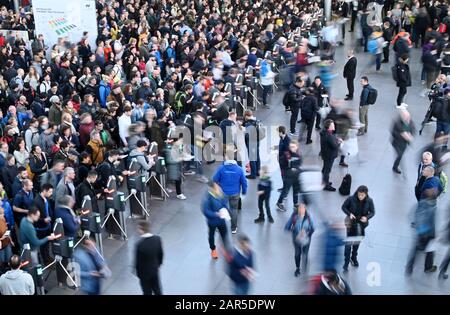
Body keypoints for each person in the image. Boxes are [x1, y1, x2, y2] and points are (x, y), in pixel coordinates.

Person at [406, 179, 441, 275]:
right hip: (426, 233)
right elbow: (425, 219)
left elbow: (413, 215)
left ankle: (410, 268)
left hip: (423, 233)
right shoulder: (429, 205)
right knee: (428, 251)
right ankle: (427, 268)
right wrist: (424, 231)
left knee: (418, 250)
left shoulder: (424, 203)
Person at [212, 145, 248, 234]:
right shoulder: (239, 169)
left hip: (223, 193)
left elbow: (214, 179)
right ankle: (233, 228)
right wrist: (243, 192)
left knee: (221, 209)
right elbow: (244, 182)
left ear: (226, 157)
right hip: (235, 193)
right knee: (234, 210)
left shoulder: (221, 168)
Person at [341, 185, 375, 272]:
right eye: (359, 194)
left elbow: (372, 212)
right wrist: (349, 214)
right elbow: (343, 207)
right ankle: (346, 261)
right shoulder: (351, 198)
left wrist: (367, 217)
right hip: (350, 222)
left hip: (360, 224)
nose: (360, 196)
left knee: (357, 241)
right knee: (348, 243)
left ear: (366, 194)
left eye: (362, 195)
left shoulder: (369, 201)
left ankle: (354, 257)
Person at [285, 203, 315, 277]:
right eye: (300, 208)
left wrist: (306, 232)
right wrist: (294, 230)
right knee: (297, 254)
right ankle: (298, 268)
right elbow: (286, 227)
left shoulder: (308, 217)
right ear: (297, 210)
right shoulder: (294, 217)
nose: (301, 210)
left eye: (303, 208)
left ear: (305, 209)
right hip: (296, 238)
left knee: (305, 253)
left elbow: (313, 228)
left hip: (306, 238)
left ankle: (305, 266)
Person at [202, 181, 230, 259]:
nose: (219, 188)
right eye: (217, 187)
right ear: (212, 189)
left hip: (221, 220)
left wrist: (226, 210)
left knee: (224, 234)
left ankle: (226, 249)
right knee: (211, 235)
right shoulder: (207, 198)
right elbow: (205, 211)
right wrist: (216, 214)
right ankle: (213, 249)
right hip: (212, 222)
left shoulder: (221, 194)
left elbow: (225, 203)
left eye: (219, 186)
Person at [135, 220, 163, 295]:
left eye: (138, 228)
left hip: (144, 273)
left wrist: (139, 274)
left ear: (142, 230)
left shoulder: (140, 245)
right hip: (154, 269)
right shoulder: (157, 239)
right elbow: (160, 254)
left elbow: (138, 263)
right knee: (157, 290)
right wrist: (158, 265)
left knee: (147, 291)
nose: (138, 230)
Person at [276, 140, 302, 211]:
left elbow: (299, 164)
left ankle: (295, 204)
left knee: (296, 191)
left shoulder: (299, 154)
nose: (292, 148)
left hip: (296, 176)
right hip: (288, 177)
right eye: (291, 147)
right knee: (285, 191)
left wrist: (297, 169)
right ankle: (279, 202)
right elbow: (282, 164)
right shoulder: (286, 154)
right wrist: (288, 169)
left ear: (297, 147)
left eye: (293, 147)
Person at [32, 183, 53, 264]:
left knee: (47, 244)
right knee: (43, 245)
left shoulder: (46, 198)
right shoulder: (36, 201)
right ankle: (46, 261)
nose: (51, 194)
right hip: (40, 228)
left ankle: (48, 256)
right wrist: (43, 220)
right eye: (50, 192)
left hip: (47, 226)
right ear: (44, 191)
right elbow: (34, 217)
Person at [391, 108, 415, 174]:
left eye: (408, 117)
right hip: (397, 142)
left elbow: (413, 129)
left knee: (401, 154)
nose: (408, 118)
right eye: (406, 117)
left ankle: (395, 165)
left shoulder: (410, 121)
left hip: (405, 142)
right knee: (400, 154)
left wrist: (410, 135)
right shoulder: (397, 122)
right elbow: (393, 133)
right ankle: (395, 167)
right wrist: (402, 135)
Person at [320, 119, 343, 192]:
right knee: (327, 170)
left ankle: (323, 181)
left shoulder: (325, 133)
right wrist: (339, 142)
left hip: (325, 154)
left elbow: (332, 140)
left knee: (325, 168)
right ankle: (326, 185)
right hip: (329, 155)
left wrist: (336, 139)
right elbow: (334, 146)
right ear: (329, 126)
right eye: (332, 125)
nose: (334, 126)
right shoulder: (328, 135)